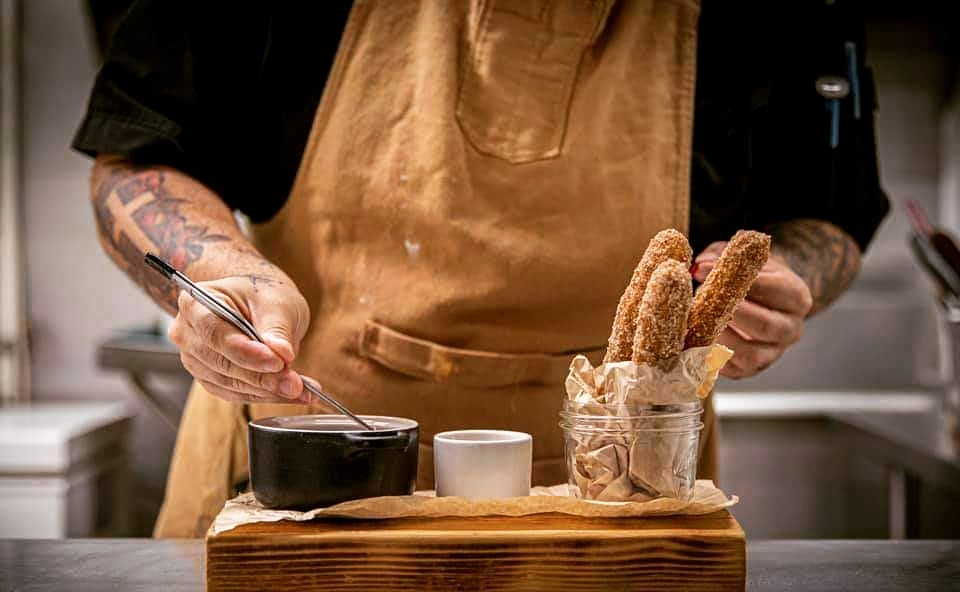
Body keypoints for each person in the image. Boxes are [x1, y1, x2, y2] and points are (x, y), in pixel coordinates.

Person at [74, 0, 889, 537]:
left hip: (626, 509)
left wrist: (788, 283)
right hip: (301, 495)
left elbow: (832, 212)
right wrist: (219, 269)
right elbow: (138, 158)